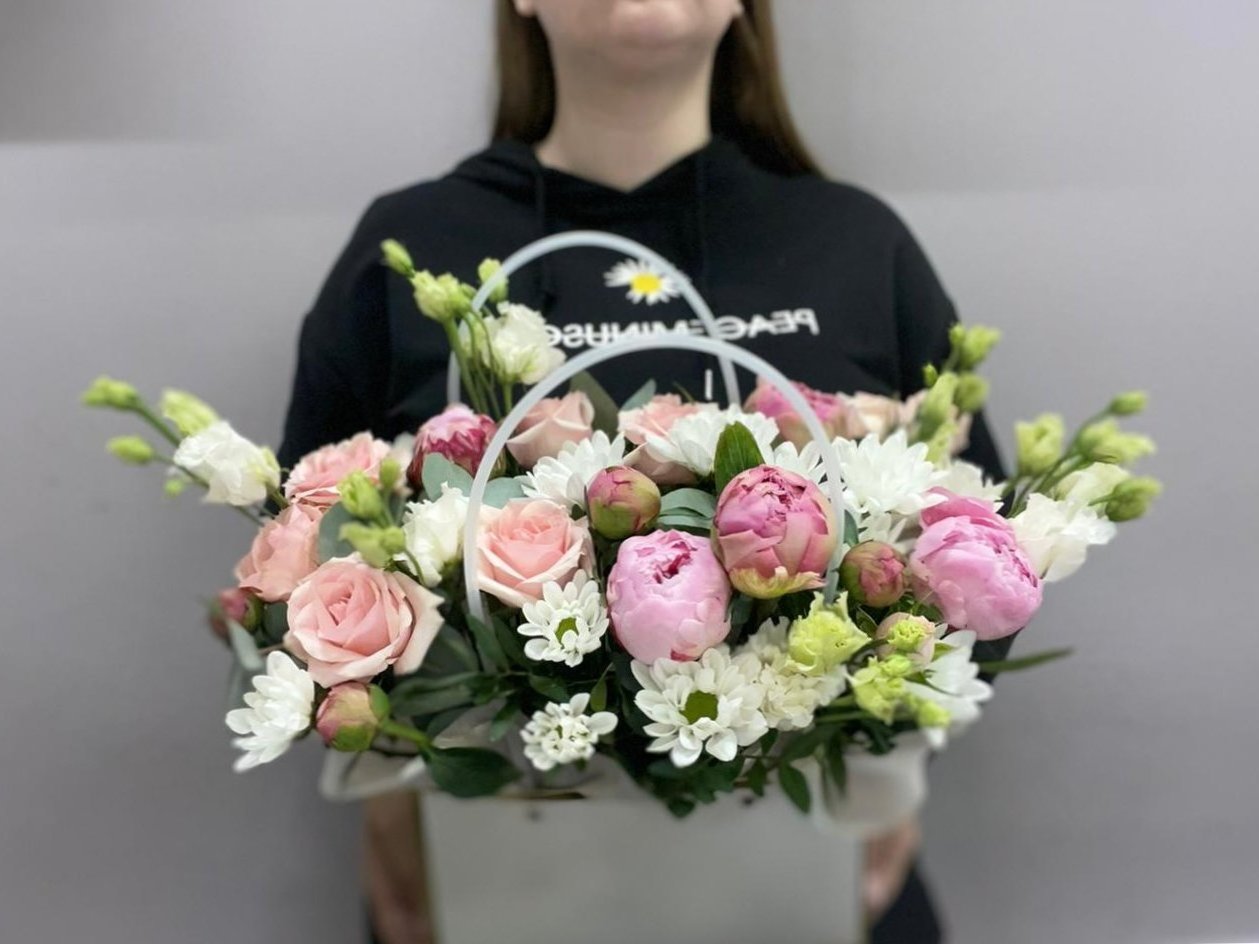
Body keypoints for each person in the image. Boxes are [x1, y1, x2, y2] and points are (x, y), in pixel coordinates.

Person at [277, 2, 1009, 941]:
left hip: (804, 880)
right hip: (497, 882)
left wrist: (887, 774)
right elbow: (300, 550)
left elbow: (984, 558)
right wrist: (385, 791)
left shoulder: (855, 241)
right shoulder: (417, 243)